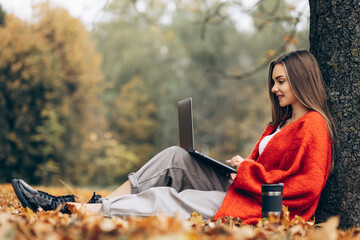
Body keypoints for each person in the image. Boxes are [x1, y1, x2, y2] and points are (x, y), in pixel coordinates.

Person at [11, 50, 336, 224]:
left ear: (301, 80)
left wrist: (247, 171)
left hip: (257, 205)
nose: (274, 88)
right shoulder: (278, 125)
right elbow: (263, 171)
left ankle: (73, 211)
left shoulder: (313, 126)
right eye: (273, 82)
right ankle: (99, 203)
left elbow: (304, 190)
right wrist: (243, 168)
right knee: (176, 157)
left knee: (171, 199)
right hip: (242, 189)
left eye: (280, 81)